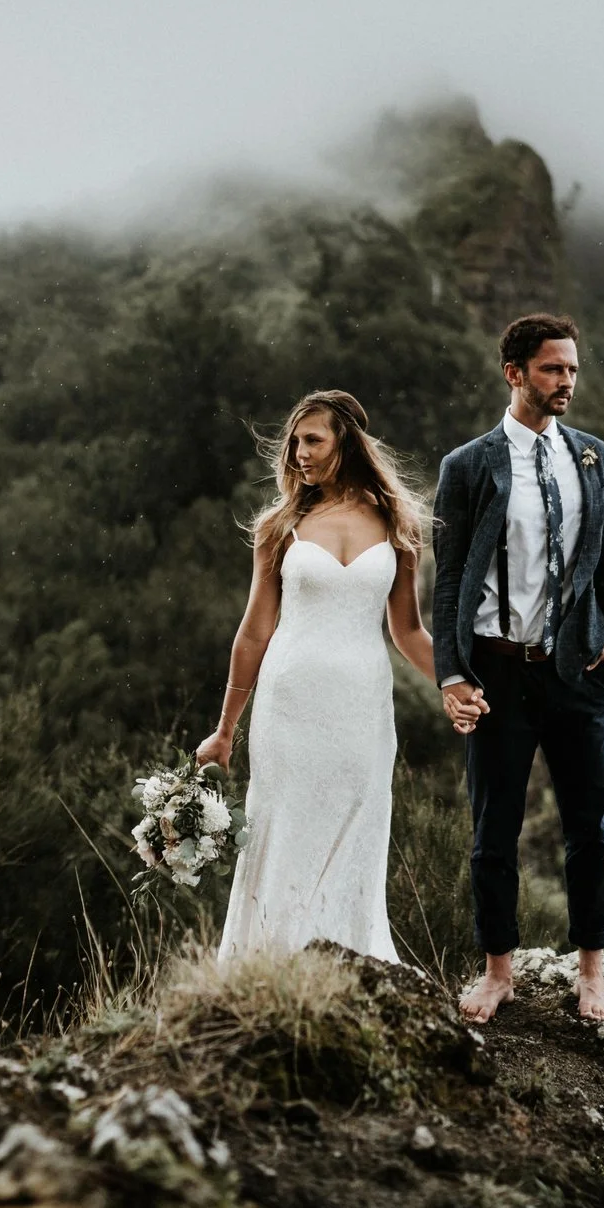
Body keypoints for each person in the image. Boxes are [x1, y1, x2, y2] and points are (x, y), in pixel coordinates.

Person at [432, 312, 604, 1024]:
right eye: (553, 369)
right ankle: (497, 972)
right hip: (499, 670)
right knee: (494, 829)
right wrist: (453, 674)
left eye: (572, 369)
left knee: (590, 830)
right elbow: (449, 576)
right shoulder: (468, 465)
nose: (566, 381)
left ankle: (593, 975)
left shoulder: (593, 456)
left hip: (579, 670)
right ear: (514, 373)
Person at [195, 389, 440, 962]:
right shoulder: (281, 525)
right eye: (295, 442)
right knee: (282, 832)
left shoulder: (399, 524)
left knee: (357, 826)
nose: (299, 453)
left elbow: (407, 632)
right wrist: (225, 728)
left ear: (346, 443)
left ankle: (352, 967)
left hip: (362, 707)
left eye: (313, 440)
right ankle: (269, 969)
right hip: (289, 703)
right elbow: (255, 630)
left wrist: (457, 683)